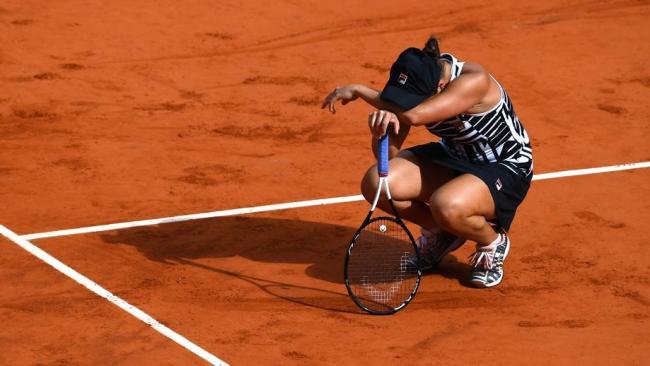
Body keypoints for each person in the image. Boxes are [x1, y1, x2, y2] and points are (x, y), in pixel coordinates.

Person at [321, 36, 533, 288]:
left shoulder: (473, 80)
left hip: (504, 166)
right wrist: (380, 132)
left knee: (447, 205)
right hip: (453, 158)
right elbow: (387, 159)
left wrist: (360, 91)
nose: (403, 102)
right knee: (376, 182)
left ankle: (492, 241)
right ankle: (443, 233)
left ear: (440, 85)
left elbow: (415, 115)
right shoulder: (416, 89)